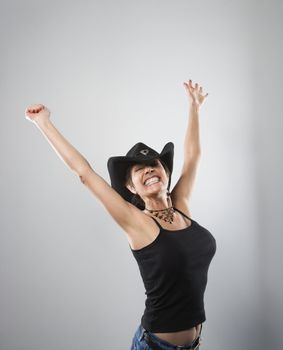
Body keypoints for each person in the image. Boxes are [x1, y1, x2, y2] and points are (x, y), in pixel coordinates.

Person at [25, 79, 216, 350]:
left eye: (154, 164)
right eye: (140, 170)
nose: (149, 169)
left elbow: (194, 155)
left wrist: (195, 107)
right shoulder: (137, 222)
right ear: (130, 187)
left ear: (166, 173)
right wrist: (43, 123)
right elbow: (85, 174)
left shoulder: (181, 206)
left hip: (194, 345)